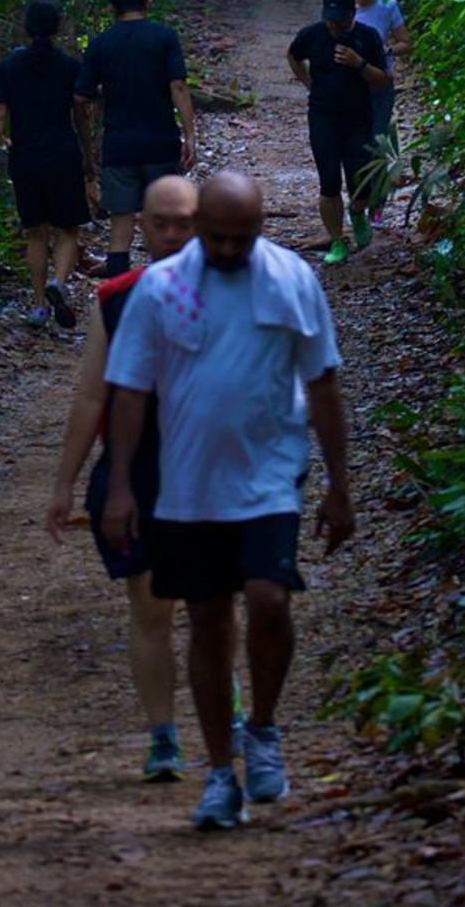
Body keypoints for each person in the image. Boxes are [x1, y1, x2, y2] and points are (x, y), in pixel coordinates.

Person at [101, 172, 354, 831]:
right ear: (200, 229)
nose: (230, 250)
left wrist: (339, 484)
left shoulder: (291, 279)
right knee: (208, 620)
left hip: (270, 474)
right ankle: (220, 773)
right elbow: (127, 391)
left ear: (262, 228)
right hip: (188, 486)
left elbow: (322, 383)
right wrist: (122, 485)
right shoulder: (162, 288)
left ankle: (263, 730)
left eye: (244, 238)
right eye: (218, 238)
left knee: (269, 599)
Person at [46, 177, 205, 783]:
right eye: (161, 223)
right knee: (151, 604)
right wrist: (65, 483)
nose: (172, 235)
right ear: (139, 226)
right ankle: (163, 733)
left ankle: (227, 703)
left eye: (184, 223)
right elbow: (92, 395)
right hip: (138, 468)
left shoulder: (230, 291)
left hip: (206, 466)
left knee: (210, 601)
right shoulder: (117, 296)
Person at [0, 0, 95, 328]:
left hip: (26, 157)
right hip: (62, 154)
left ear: (26, 27)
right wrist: (89, 158)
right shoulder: (70, 67)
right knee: (68, 229)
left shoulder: (10, 67)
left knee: (35, 233)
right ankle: (58, 282)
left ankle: (39, 305)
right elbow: (80, 116)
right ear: (57, 28)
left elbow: (0, 113)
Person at [75, 0, 196, 278]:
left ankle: (119, 278)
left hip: (119, 140)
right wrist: (190, 133)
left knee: (121, 215)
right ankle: (168, 276)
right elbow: (177, 85)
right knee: (165, 212)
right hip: (160, 138)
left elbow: (80, 96)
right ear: (148, 2)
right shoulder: (164, 37)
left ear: (112, 9)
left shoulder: (101, 43)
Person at [287, 0, 390, 264]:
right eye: (330, 19)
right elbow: (294, 56)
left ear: (352, 14)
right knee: (329, 181)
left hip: (358, 118)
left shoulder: (367, 37)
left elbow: (382, 79)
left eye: (340, 20)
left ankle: (358, 214)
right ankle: (336, 240)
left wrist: (359, 64)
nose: (334, 26)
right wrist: (308, 82)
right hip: (323, 117)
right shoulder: (312, 34)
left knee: (361, 182)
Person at [348, 0, 411, 225]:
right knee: (353, 146)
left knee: (377, 142)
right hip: (349, 87)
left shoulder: (388, 6)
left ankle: (377, 205)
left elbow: (406, 43)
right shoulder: (343, 6)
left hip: (379, 85)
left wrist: (384, 51)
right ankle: (358, 203)